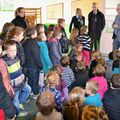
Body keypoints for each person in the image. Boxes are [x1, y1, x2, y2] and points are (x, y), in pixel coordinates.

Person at [3, 40, 31, 116]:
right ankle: (18, 112)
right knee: (15, 100)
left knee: (28, 90)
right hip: (14, 86)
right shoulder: (4, 62)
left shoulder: (17, 57)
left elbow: (19, 68)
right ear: (6, 51)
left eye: (15, 50)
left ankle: (20, 103)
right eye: (11, 51)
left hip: (21, 82)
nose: (14, 52)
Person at [23, 26, 43, 95]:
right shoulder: (33, 44)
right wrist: (40, 65)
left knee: (30, 79)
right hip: (34, 66)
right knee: (35, 80)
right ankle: (36, 93)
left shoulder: (25, 42)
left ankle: (30, 91)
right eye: (36, 32)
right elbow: (37, 56)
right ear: (32, 34)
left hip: (27, 64)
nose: (37, 33)